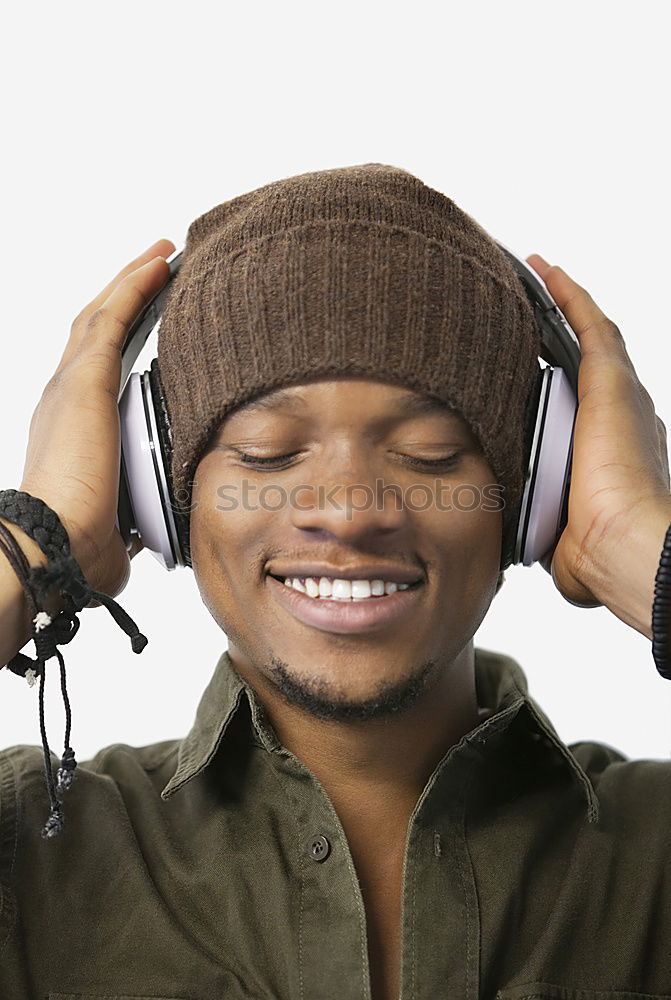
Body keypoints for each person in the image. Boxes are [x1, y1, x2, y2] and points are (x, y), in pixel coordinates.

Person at [0, 163, 669, 1000]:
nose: (350, 512)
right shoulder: (31, 846)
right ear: (160, 494)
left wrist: (638, 547)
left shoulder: (656, 853)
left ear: (535, 493)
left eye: (429, 455)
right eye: (267, 454)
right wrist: (35, 543)